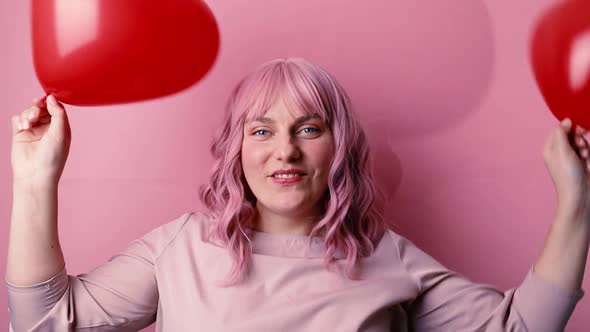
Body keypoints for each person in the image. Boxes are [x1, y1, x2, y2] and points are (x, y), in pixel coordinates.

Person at [6, 58, 588, 331]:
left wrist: (576, 197)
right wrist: (36, 180)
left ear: (338, 146)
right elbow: (48, 322)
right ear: (236, 147)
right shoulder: (180, 249)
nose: (284, 150)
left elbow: (520, 329)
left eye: (309, 128)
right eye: (261, 131)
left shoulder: (385, 256)